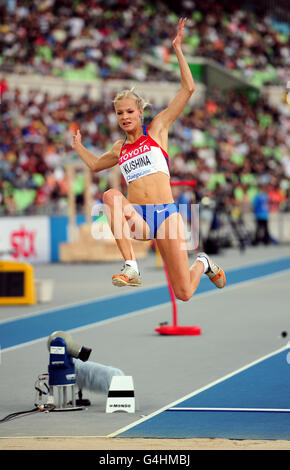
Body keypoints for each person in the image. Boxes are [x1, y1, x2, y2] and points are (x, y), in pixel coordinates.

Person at [72, 18, 226, 301]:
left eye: (129, 111)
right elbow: (95, 165)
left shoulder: (157, 129)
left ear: (139, 112)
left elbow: (188, 89)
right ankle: (131, 267)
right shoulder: (119, 148)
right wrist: (78, 146)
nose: (125, 117)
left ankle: (202, 262)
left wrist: (178, 49)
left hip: (166, 216)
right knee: (110, 196)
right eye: (120, 114)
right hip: (139, 219)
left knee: (183, 293)